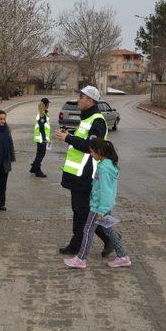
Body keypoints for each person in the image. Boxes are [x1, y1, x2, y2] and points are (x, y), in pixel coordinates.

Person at [54, 86, 111, 256]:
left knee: (85, 212)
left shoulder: (97, 121)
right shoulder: (87, 119)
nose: (78, 99)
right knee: (81, 212)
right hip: (77, 176)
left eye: (81, 97)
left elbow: (91, 146)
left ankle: (110, 239)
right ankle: (78, 243)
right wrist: (70, 133)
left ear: (91, 100)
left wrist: (68, 138)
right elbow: (83, 140)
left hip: (86, 176)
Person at [64, 139, 131, 269]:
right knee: (109, 230)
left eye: (92, 152)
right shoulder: (109, 165)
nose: (91, 154)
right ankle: (123, 257)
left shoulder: (103, 168)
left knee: (87, 230)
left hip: (98, 207)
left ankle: (81, 259)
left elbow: (106, 191)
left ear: (99, 152)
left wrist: (101, 210)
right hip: (103, 206)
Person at [30, 98, 50, 178]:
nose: (49, 105)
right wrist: (45, 139)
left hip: (40, 138)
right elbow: (41, 127)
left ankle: (34, 168)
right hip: (41, 139)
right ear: (45, 105)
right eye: (48, 104)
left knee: (39, 154)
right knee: (41, 155)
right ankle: (37, 171)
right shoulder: (42, 114)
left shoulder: (43, 113)